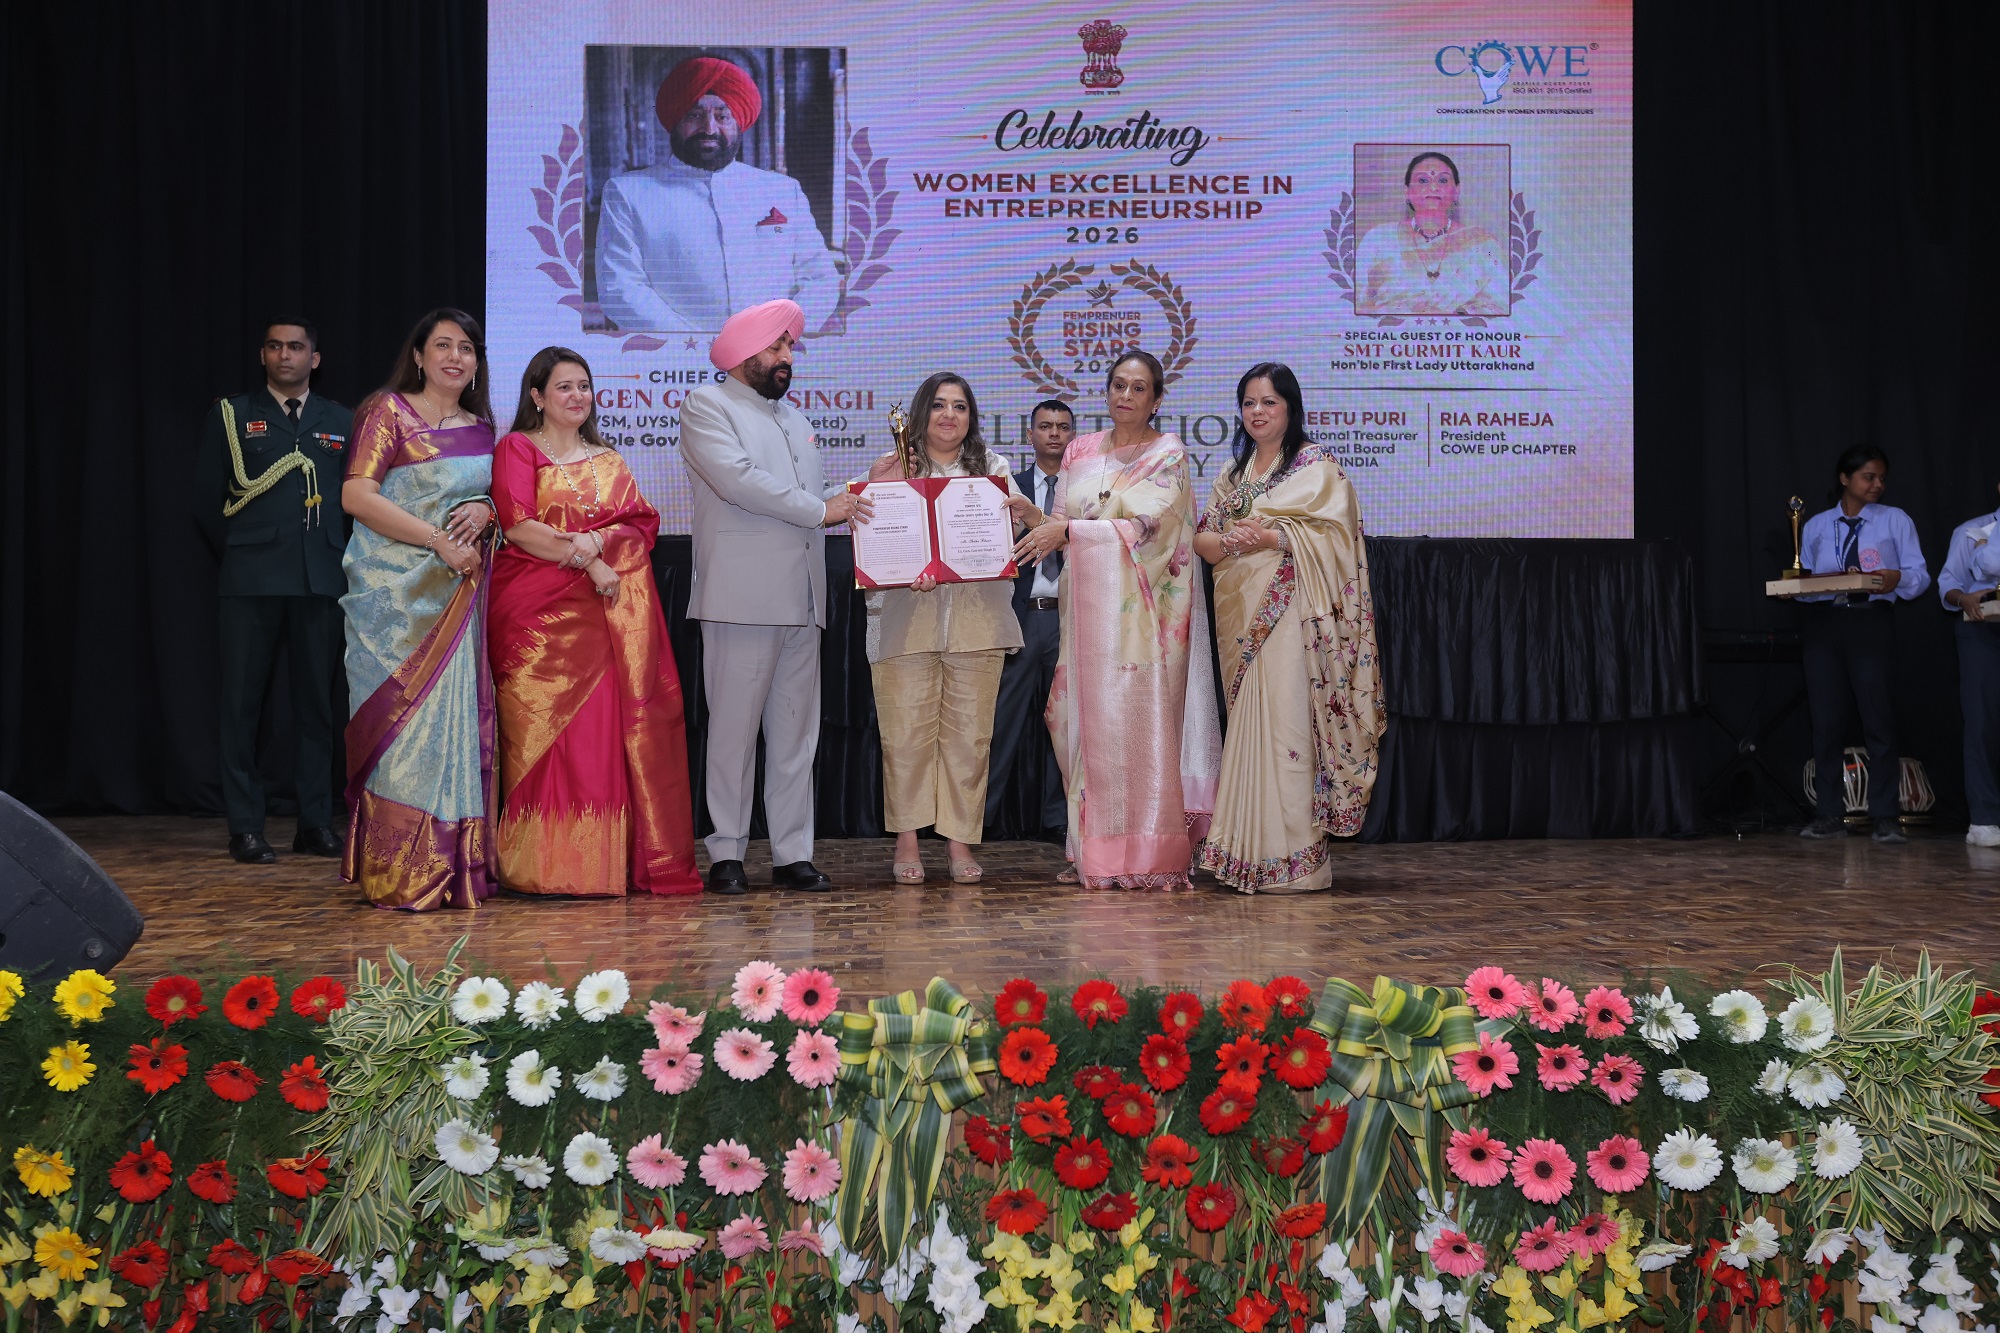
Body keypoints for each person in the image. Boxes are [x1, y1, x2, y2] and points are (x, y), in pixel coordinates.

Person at [487, 347, 703, 895]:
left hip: (604, 618)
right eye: (564, 386)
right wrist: (589, 559)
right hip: (536, 621)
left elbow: (640, 525)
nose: (577, 396)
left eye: (584, 386)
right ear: (537, 396)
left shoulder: (608, 459)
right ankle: (539, 867)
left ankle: (594, 866)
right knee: (540, 733)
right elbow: (518, 527)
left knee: (596, 739)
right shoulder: (517, 448)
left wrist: (601, 541)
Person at [679, 298, 872, 893]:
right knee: (733, 734)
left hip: (802, 599)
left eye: (790, 346)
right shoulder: (706, 405)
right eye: (778, 346)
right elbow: (740, 482)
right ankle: (727, 853)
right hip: (740, 598)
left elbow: (814, 495)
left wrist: (869, 485)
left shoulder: (793, 418)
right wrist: (822, 508)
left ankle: (792, 854)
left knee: (795, 736)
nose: (789, 356)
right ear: (743, 352)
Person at [1010, 351, 1222, 888]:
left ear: (1157, 399)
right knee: (1072, 722)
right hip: (1084, 618)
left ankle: (1145, 853)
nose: (1126, 396)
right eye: (1118, 386)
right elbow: (1061, 522)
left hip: (1146, 623)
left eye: (1139, 388)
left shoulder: (1167, 454)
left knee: (1136, 727)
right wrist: (1033, 518)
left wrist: (1069, 532)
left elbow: (1154, 529)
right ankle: (1090, 850)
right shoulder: (1080, 450)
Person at [1192, 363, 1385, 893]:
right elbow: (1203, 540)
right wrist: (1230, 541)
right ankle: (1249, 858)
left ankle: (1298, 863)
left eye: (1269, 402)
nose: (1257, 412)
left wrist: (1274, 539)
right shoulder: (1232, 475)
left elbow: (1339, 539)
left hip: (1293, 617)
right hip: (1241, 623)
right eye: (1249, 403)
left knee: (1287, 727)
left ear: (1290, 408)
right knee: (1250, 730)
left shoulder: (1316, 468)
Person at [338, 308, 499, 909]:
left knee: (453, 733)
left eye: (466, 348)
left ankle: (450, 869)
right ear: (419, 356)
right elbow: (356, 495)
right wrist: (437, 542)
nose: (455, 357)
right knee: (402, 732)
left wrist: (486, 509)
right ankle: (398, 872)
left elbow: (496, 500)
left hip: (459, 602)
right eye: (443, 346)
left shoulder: (483, 429)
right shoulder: (388, 411)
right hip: (395, 604)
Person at [193, 320, 352, 864]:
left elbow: (355, 502)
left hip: (321, 579)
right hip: (251, 580)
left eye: (296, 347)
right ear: (263, 355)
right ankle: (245, 827)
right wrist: (246, 550)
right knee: (242, 706)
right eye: (275, 346)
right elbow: (206, 501)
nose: (286, 355)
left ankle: (315, 824)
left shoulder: (341, 420)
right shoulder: (233, 415)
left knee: (318, 709)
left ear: (315, 358)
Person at [860, 373, 1023, 884]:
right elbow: (869, 535)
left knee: (969, 739)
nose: (949, 415)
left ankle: (958, 843)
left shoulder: (994, 469)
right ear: (919, 414)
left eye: (959, 406)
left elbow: (1013, 534)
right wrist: (904, 563)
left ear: (971, 417)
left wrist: (1017, 519)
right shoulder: (892, 467)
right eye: (938, 405)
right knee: (904, 736)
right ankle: (907, 840)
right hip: (904, 621)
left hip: (979, 622)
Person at [595, 55, 842, 333]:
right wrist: (692, 346)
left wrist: (777, 337)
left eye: (722, 116)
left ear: (738, 123)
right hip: (673, 354)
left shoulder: (783, 190)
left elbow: (821, 278)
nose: (709, 128)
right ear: (676, 120)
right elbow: (621, 288)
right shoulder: (628, 193)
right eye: (695, 115)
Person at [1794, 445, 1929, 843]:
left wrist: (1897, 578)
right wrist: (1797, 589)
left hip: (1871, 621)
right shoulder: (1816, 524)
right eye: (1869, 477)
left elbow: (1919, 576)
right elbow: (1807, 582)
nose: (1877, 485)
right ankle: (1829, 813)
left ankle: (1885, 815)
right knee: (1825, 721)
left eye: (1882, 478)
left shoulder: (1894, 519)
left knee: (1878, 717)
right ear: (1845, 479)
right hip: (1825, 624)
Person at [984, 400, 1074, 840]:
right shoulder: (1007, 488)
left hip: (1071, 620)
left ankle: (1060, 820)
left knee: (1068, 725)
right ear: (1030, 434)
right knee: (1000, 723)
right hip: (1020, 618)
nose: (1054, 433)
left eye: (1063, 427)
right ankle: (978, 820)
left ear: (1073, 435)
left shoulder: (1086, 490)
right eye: (1045, 426)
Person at [1356, 151, 1506, 317]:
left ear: (1456, 191)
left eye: (1443, 180)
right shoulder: (1378, 239)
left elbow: (1500, 304)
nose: (1433, 187)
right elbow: (1357, 304)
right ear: (1407, 191)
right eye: (1422, 180)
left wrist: (1454, 316)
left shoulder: (1482, 244)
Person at [1936, 482, 2000, 847]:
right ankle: (1984, 818)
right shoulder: (1972, 530)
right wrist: (1963, 599)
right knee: (1982, 723)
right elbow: (1948, 583)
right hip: (1981, 630)